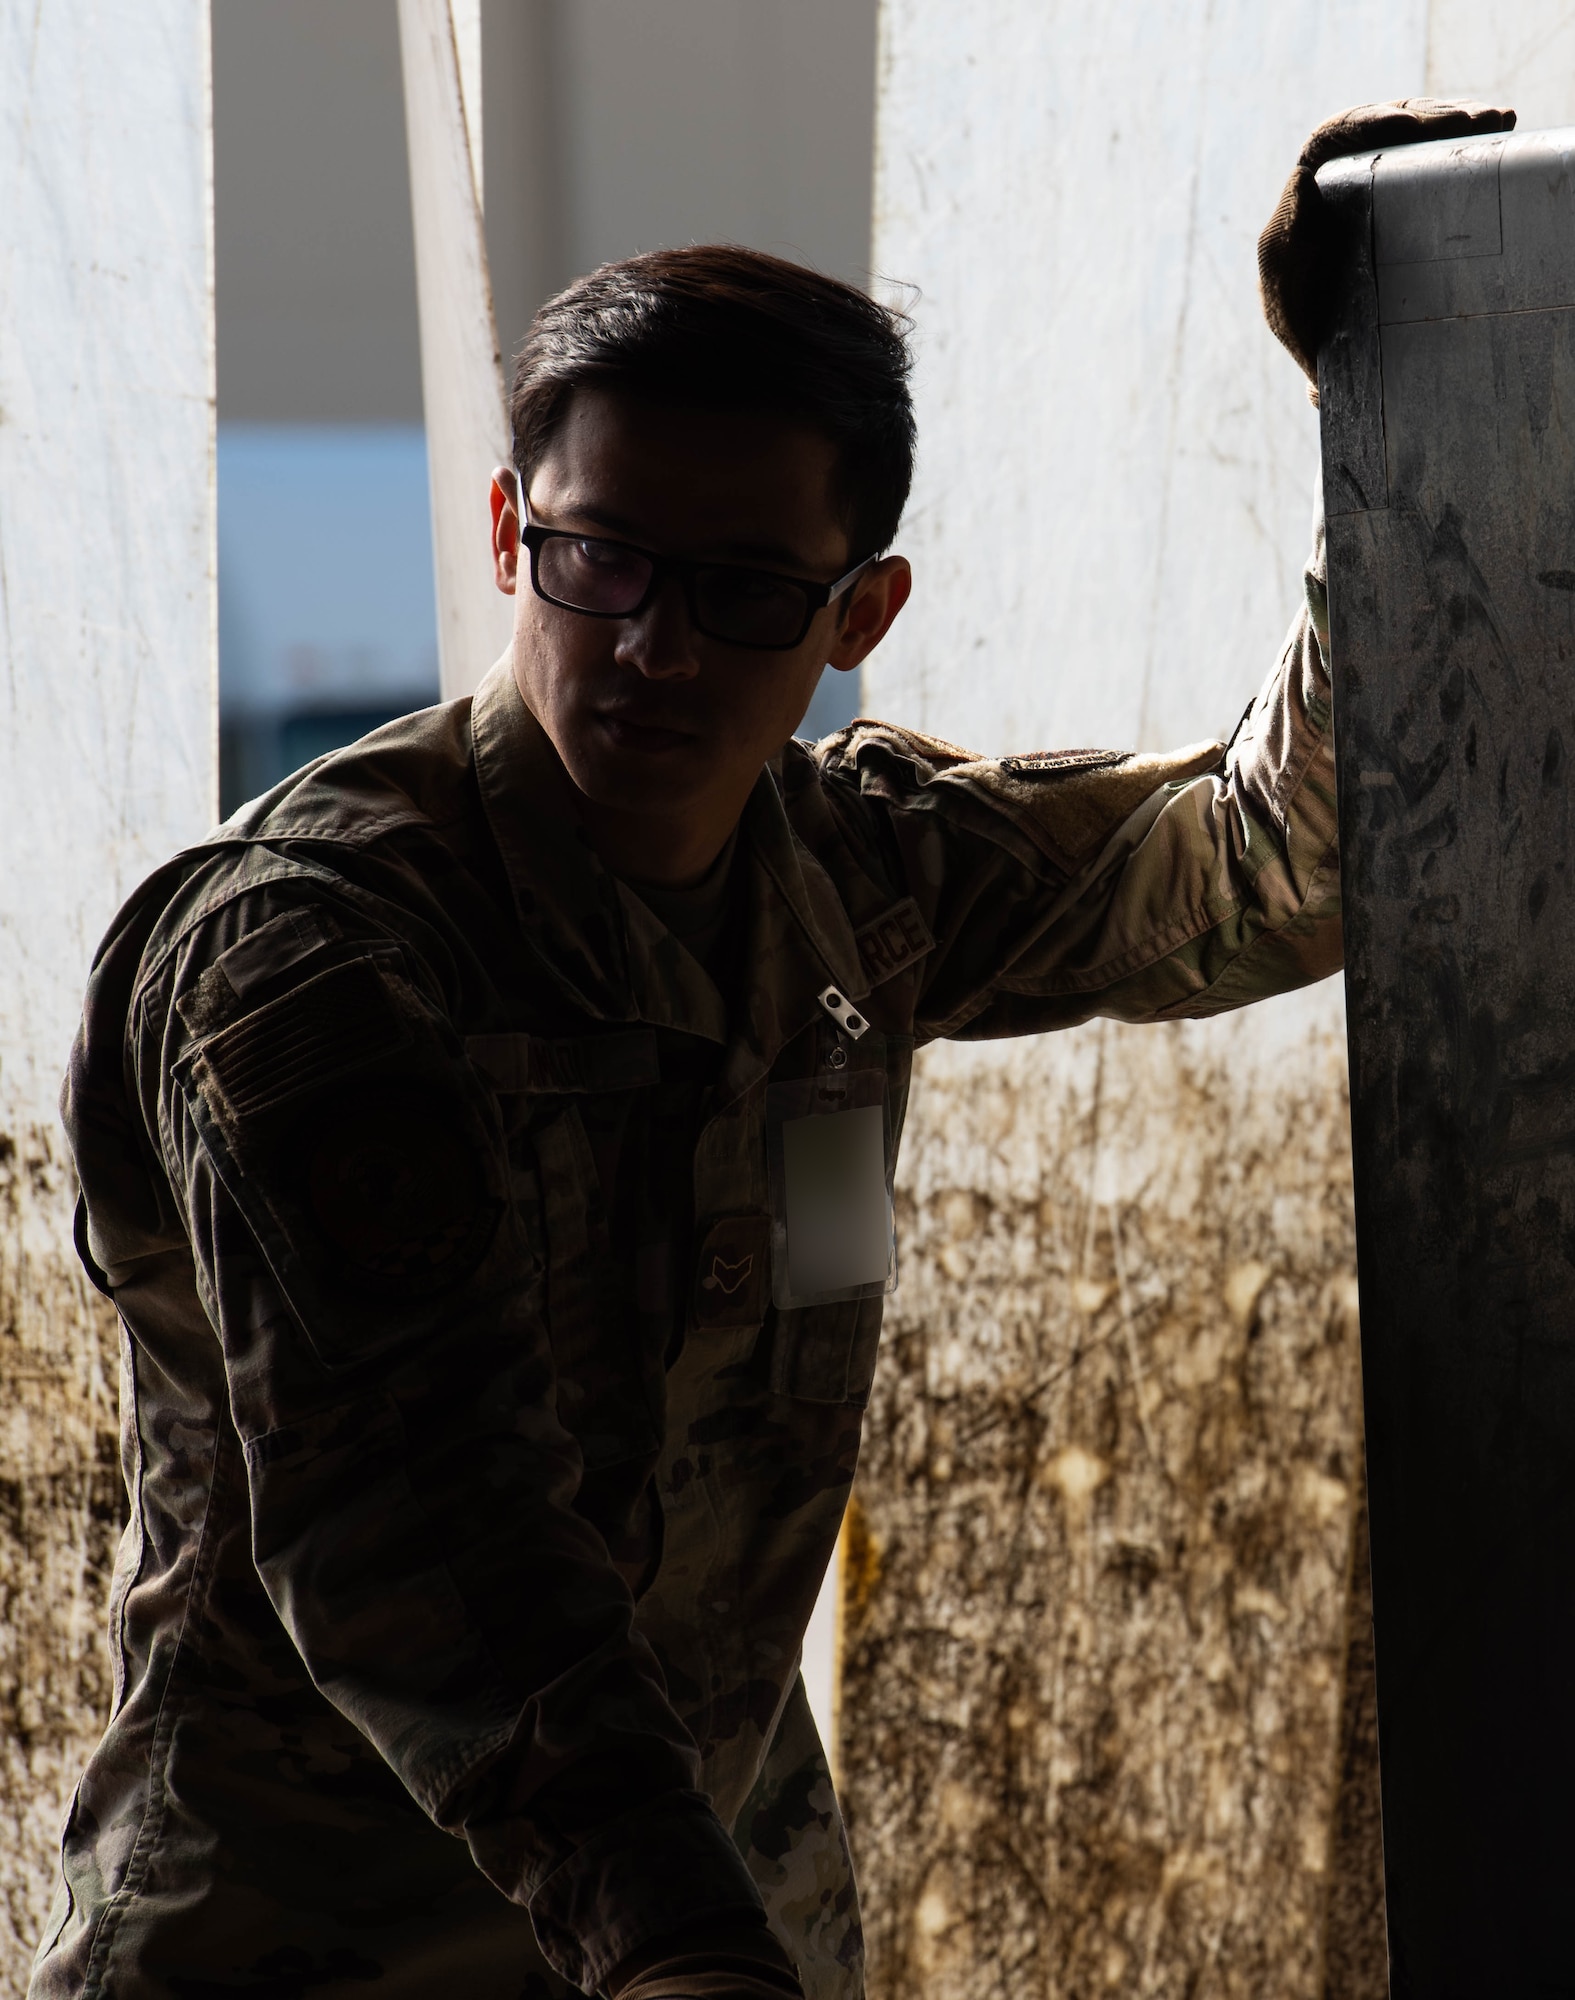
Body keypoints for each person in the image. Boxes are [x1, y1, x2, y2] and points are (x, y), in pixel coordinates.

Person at [33, 97, 1510, 2000]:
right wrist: (685, 1950)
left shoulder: (857, 879)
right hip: (312, 1946)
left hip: (707, 1913)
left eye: (738, 594)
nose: (652, 648)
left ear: (853, 615)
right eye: (602, 564)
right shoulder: (311, 955)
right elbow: (424, 1529)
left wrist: (1403, 418)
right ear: (510, 532)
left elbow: (1267, 862)